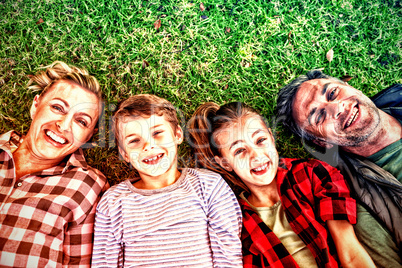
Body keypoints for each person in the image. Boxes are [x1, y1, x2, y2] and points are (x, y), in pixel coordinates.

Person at [188, 101, 375, 268]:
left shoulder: (313, 175)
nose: (256, 156)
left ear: (271, 136)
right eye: (239, 151)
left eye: (260, 140)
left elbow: (350, 254)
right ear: (225, 163)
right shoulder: (236, 221)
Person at [91, 94, 243, 267]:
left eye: (157, 133)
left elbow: (229, 254)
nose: (148, 146)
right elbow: (104, 262)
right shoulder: (113, 202)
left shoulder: (208, 185)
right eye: (134, 141)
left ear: (177, 134)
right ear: (125, 154)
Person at [276, 70, 401, 267]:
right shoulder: (354, 201)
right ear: (321, 141)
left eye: (333, 93)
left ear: (350, 87)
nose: (337, 108)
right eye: (318, 116)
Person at [0, 61, 109, 267]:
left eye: (81, 121)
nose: (64, 125)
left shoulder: (86, 185)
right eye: (58, 107)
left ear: (88, 136)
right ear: (36, 104)